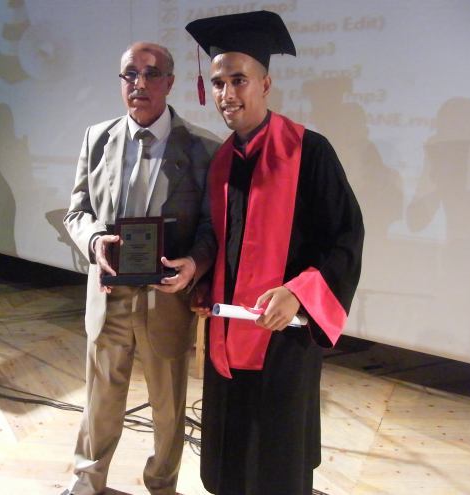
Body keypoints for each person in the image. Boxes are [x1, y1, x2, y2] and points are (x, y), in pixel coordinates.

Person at [185, 11, 365, 495]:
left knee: (276, 465)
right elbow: (224, 242)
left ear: (265, 84)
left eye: (238, 80)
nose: (227, 94)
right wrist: (205, 283)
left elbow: (346, 238)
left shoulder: (310, 152)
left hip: (284, 338)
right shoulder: (222, 161)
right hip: (227, 333)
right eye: (218, 83)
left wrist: (299, 293)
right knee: (231, 461)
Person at [62, 42, 221, 495]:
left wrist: (195, 264)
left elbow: (211, 227)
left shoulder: (203, 148)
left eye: (151, 74)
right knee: (100, 398)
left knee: (168, 407)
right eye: (130, 74)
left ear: (170, 82)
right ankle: (87, 479)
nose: (139, 83)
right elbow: (78, 211)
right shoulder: (97, 138)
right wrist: (95, 240)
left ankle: (162, 485)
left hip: (167, 299)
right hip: (109, 292)